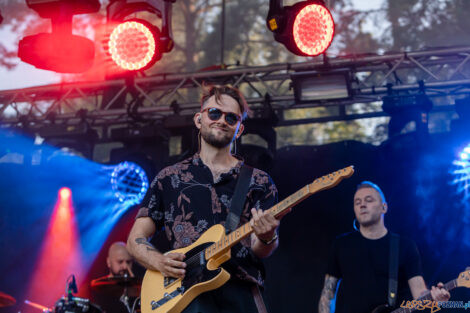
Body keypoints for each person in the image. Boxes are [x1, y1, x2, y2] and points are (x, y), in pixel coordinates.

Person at [127, 84, 284, 313]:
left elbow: (261, 249)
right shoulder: (169, 178)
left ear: (239, 129)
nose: (222, 120)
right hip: (185, 296)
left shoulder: (259, 181)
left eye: (231, 118)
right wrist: (159, 262)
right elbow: (135, 239)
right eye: (214, 113)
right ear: (199, 120)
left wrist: (267, 237)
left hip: (241, 293)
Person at [318, 181, 450, 313]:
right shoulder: (341, 244)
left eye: (368, 200)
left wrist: (434, 298)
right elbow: (328, 294)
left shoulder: (404, 246)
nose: (362, 205)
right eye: (357, 202)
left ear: (384, 207)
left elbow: (419, 293)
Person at [90, 242, 136, 313]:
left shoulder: (135, 289)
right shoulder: (98, 290)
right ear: (109, 262)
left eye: (128, 262)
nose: (125, 266)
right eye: (120, 262)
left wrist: (135, 284)